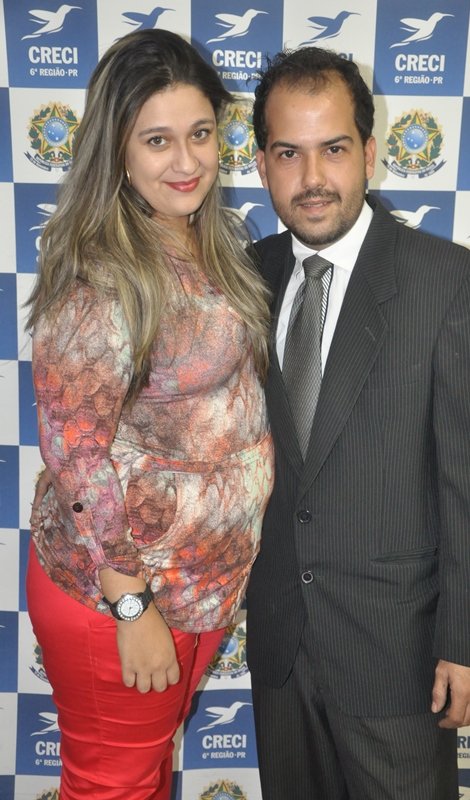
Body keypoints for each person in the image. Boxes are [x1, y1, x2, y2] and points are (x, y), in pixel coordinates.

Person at [244, 47, 470, 800]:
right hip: (281, 650)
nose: (312, 178)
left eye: (333, 149)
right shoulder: (243, 278)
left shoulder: (451, 284)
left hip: (399, 660)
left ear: (368, 153)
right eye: (288, 154)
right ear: (261, 164)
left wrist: (469, 645)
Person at [26, 29, 273, 800]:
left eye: (200, 134)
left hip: (192, 588)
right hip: (121, 597)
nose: (187, 160)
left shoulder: (204, 238)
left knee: (141, 776)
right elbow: (77, 456)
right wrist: (130, 604)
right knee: (114, 786)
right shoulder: (100, 276)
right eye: (157, 140)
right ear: (117, 151)